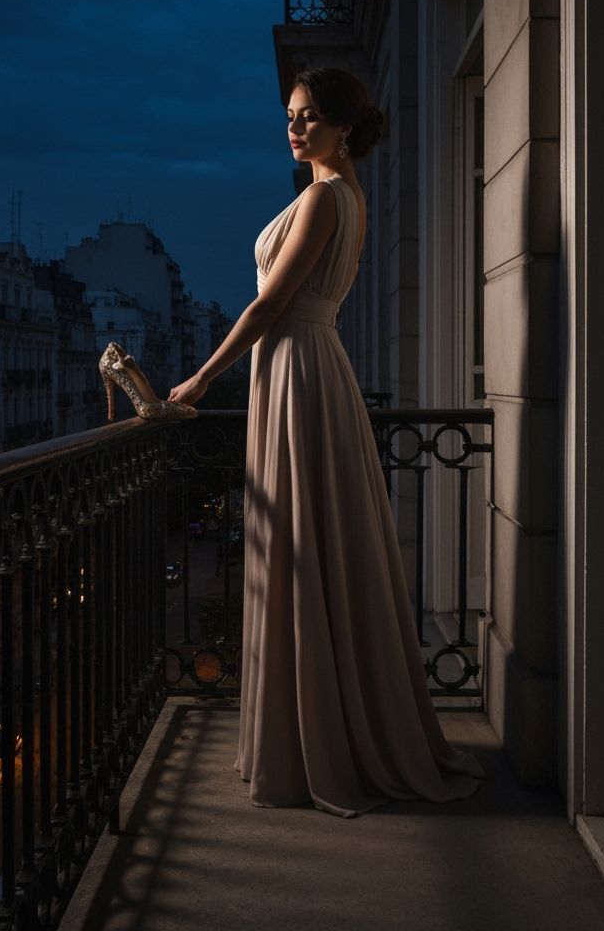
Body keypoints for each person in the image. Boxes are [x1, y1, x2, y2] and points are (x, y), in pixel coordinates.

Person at [167, 67, 484, 817]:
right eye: (290, 115)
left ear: (343, 125)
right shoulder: (347, 197)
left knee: (302, 546)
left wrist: (201, 378)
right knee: (309, 543)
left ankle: (314, 741)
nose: (295, 128)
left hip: (299, 370)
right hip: (306, 371)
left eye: (310, 116)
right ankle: (318, 728)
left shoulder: (323, 197)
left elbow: (272, 303)